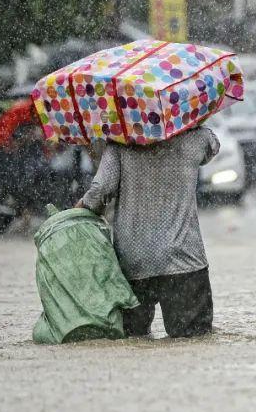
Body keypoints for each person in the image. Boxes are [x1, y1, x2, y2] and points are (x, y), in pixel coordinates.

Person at [77, 126, 221, 338]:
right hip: (184, 260)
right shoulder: (196, 137)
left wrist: (79, 209)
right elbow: (213, 146)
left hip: (134, 261)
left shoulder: (119, 143)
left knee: (132, 339)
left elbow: (99, 191)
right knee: (193, 339)